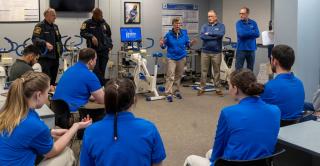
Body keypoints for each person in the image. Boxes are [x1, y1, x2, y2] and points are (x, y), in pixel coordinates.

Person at [184, 69, 280, 166]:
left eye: (229, 85)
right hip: (262, 163)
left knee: (190, 159)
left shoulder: (228, 113)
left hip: (233, 164)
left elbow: (218, 150)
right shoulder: (275, 110)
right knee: (209, 152)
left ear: (235, 88)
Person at [0, 71, 92, 166]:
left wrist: (50, 132)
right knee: (67, 153)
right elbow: (52, 151)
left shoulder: (9, 112)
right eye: (47, 92)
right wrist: (75, 127)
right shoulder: (33, 123)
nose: (48, 96)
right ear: (39, 95)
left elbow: (22, 133)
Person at [80, 78, 166, 166]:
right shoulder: (149, 129)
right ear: (133, 100)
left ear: (105, 101)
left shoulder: (91, 132)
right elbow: (158, 163)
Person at [260, 45, 305, 120]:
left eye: (271, 58)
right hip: (297, 126)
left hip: (278, 129)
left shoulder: (269, 87)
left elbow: (260, 111)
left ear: (275, 61)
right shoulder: (299, 83)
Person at [53, 48, 104, 113]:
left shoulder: (69, 70)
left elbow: (74, 91)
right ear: (91, 61)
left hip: (56, 109)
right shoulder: (90, 76)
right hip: (72, 112)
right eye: (95, 60)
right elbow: (102, 100)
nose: (95, 62)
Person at [160, 17, 196, 102]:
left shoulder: (184, 33)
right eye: (176, 24)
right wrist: (161, 44)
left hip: (181, 57)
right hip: (171, 57)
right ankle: (168, 93)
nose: (178, 25)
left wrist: (191, 43)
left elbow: (188, 45)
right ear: (173, 24)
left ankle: (176, 91)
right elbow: (163, 46)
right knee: (170, 76)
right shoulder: (168, 35)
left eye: (179, 24)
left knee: (178, 76)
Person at [80, 8, 113, 86]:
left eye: (101, 15)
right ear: (94, 15)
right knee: (96, 70)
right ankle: (98, 87)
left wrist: (110, 45)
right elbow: (82, 33)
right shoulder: (87, 23)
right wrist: (91, 36)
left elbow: (109, 36)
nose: (100, 17)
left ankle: (100, 87)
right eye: (98, 15)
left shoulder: (105, 24)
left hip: (104, 51)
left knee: (102, 70)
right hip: (93, 51)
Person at [32, 8, 62, 86]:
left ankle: (52, 96)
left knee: (53, 79)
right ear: (46, 16)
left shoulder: (55, 26)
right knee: (46, 79)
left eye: (55, 15)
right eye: (53, 15)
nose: (55, 17)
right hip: (45, 58)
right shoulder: (40, 26)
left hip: (55, 57)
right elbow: (34, 39)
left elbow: (58, 40)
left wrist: (60, 51)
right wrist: (45, 43)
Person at [198, 10, 225, 96]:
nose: (209, 18)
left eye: (211, 16)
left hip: (216, 52)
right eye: (208, 16)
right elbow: (202, 36)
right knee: (203, 71)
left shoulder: (221, 26)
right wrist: (214, 36)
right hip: (205, 52)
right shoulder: (204, 26)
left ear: (215, 17)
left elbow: (220, 34)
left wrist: (209, 34)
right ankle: (202, 88)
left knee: (217, 71)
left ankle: (217, 89)